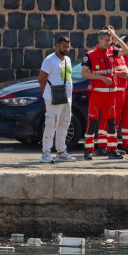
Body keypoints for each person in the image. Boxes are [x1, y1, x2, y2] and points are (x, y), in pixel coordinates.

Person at [81, 29, 122, 160]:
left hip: (111, 96)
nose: (108, 42)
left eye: (110, 40)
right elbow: (84, 73)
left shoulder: (112, 52)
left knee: (111, 123)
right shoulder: (90, 54)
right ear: (99, 39)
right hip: (97, 94)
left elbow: (127, 51)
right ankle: (88, 150)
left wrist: (116, 37)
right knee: (92, 122)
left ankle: (112, 150)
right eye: (106, 40)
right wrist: (102, 78)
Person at [37, 35, 76, 163]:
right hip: (53, 97)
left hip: (66, 97)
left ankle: (61, 152)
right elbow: (41, 80)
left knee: (64, 123)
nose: (66, 49)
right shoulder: (49, 60)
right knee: (51, 123)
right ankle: (46, 152)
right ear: (57, 45)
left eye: (68, 47)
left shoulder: (68, 60)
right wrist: (50, 93)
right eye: (64, 46)